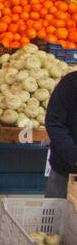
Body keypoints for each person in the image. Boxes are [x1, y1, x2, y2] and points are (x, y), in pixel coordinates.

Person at [44, 70, 77, 198]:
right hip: (65, 171)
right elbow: (54, 123)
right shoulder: (70, 83)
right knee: (55, 215)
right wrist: (74, 156)